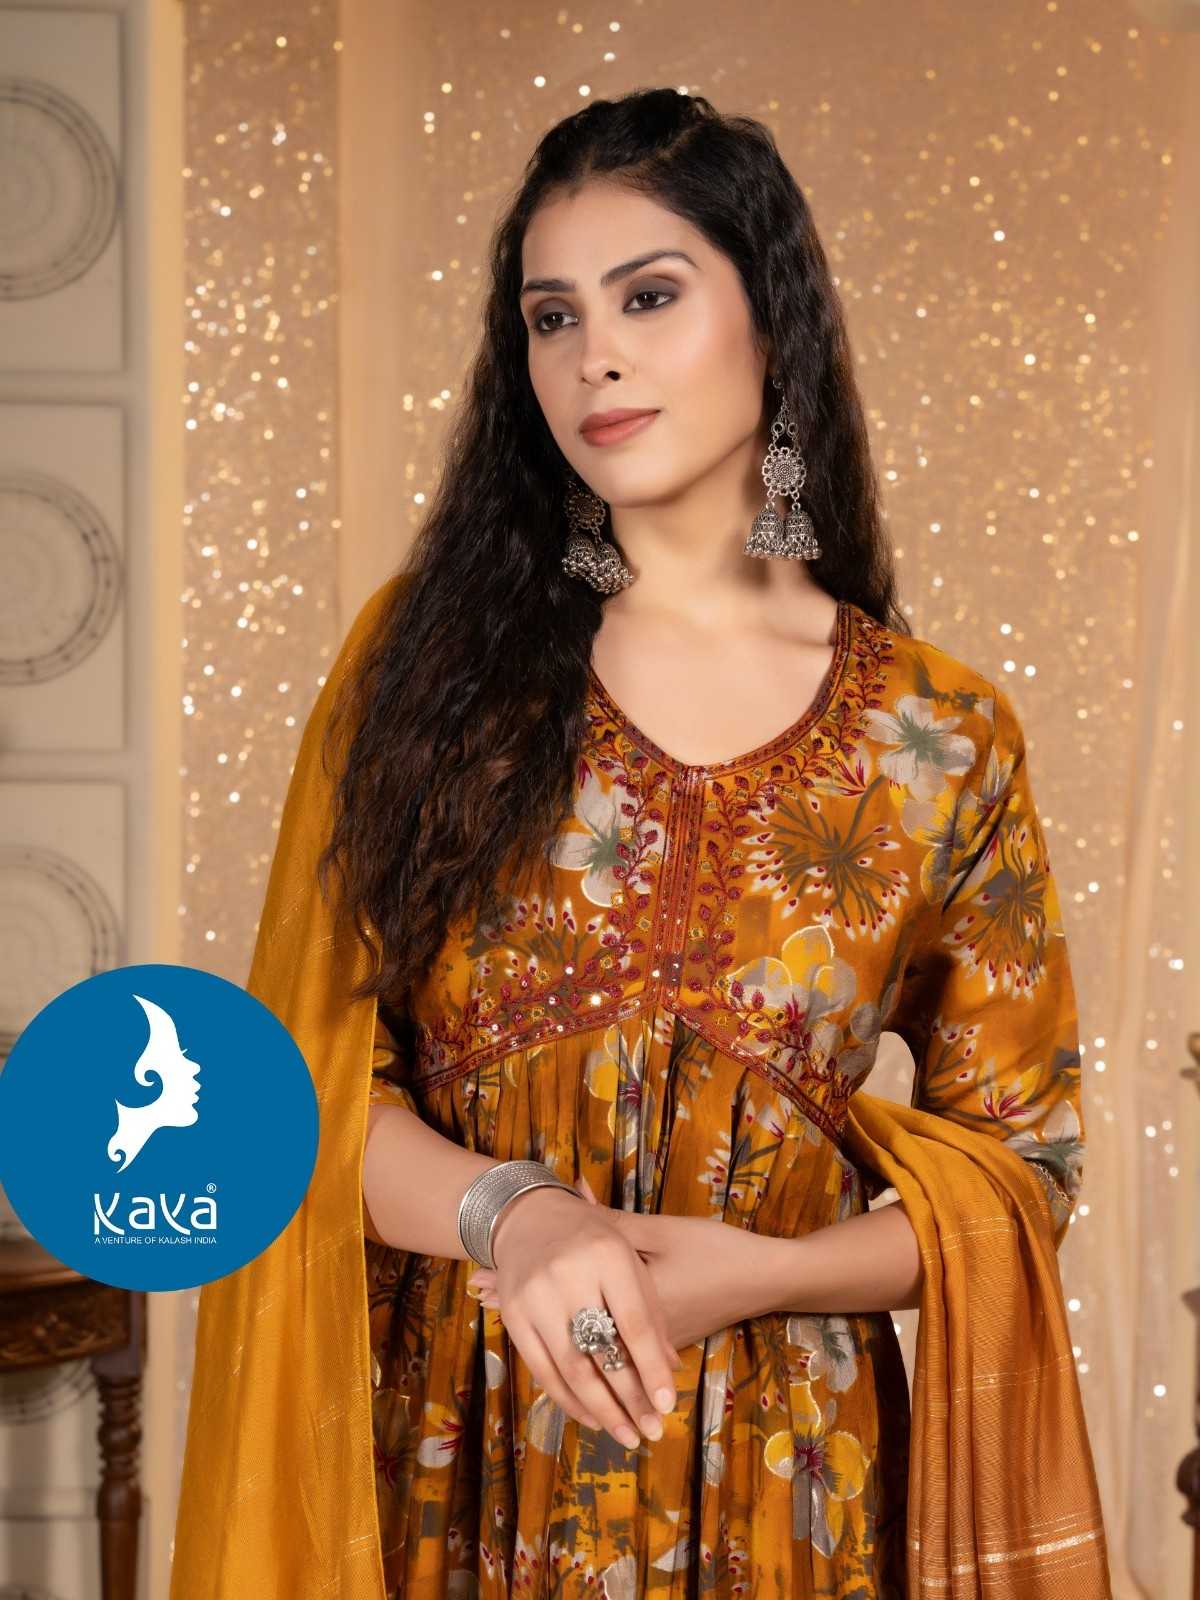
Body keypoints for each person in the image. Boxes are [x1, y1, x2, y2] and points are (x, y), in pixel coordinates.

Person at [170, 88, 1111, 1599]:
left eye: (649, 296)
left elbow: (1025, 1170)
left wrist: (771, 1274)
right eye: (552, 317)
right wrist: (514, 1214)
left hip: (794, 1491)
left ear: (774, 321)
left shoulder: (938, 736)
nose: (592, 354)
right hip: (456, 1465)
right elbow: (303, 1092)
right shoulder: (428, 674)